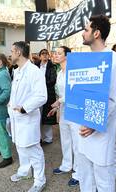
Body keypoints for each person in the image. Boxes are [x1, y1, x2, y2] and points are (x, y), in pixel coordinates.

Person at [78, 15, 116, 192]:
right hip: (82, 127)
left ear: (96, 33)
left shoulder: (114, 59)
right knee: (85, 175)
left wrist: (94, 124)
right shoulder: (84, 59)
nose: (83, 34)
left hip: (100, 129)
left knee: (103, 177)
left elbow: (113, 98)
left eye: (86, 30)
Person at [8, 41, 47, 192]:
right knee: (20, 147)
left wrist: (24, 108)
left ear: (18, 52)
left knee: (33, 149)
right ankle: (25, 172)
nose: (10, 54)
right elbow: (16, 94)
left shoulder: (33, 71)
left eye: (12, 51)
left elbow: (41, 96)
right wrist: (11, 105)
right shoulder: (17, 71)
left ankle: (39, 180)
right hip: (16, 119)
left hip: (27, 117)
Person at [47, 46, 80, 187]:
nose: (55, 55)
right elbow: (61, 94)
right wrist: (57, 107)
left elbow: (75, 91)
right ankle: (66, 164)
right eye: (55, 53)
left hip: (76, 110)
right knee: (65, 139)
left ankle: (79, 172)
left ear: (67, 56)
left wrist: (58, 102)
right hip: (64, 110)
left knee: (77, 142)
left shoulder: (74, 71)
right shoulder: (60, 72)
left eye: (59, 53)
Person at [34, 49, 57, 144]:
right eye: (42, 54)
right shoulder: (35, 66)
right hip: (37, 94)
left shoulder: (52, 66)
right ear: (39, 56)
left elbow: (52, 80)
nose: (44, 55)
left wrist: (42, 83)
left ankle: (48, 138)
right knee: (37, 116)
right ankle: (38, 138)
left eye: (46, 54)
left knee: (47, 117)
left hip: (48, 94)